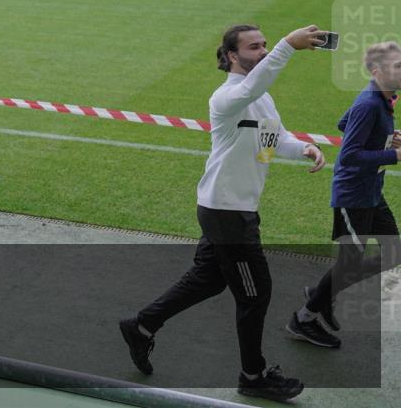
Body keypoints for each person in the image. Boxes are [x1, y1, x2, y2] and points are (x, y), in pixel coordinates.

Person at [119, 24, 328, 402]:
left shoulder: (261, 99)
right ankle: (253, 376)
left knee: (209, 279)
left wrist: (305, 149)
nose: (263, 51)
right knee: (255, 295)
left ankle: (142, 325)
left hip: (230, 208)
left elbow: (273, 140)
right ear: (232, 56)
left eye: (265, 44)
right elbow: (252, 87)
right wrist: (287, 46)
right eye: (254, 46)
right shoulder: (228, 97)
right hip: (228, 213)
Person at [287, 41, 401, 348]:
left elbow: (342, 123)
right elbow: (349, 156)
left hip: (371, 193)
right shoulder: (369, 103)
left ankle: (321, 294)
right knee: (351, 263)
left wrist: (387, 138)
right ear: (377, 71)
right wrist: (394, 155)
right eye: (398, 66)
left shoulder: (383, 97)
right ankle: (304, 318)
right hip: (354, 195)